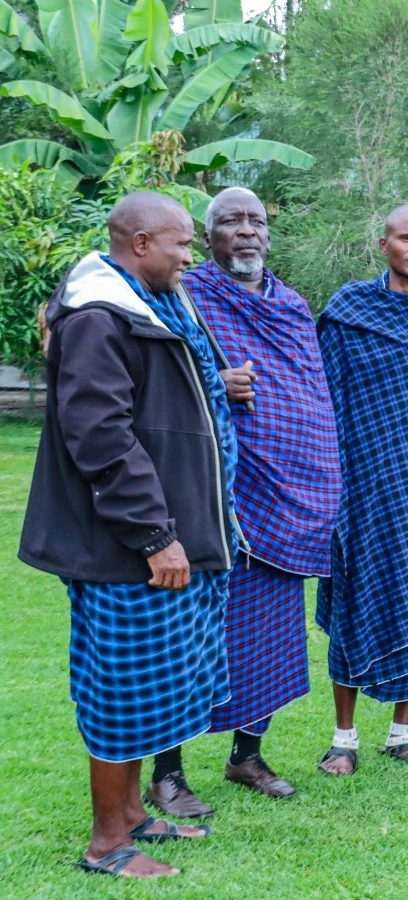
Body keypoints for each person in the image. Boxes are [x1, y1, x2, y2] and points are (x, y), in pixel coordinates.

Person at [20, 192, 236, 877]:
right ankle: (107, 843)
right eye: (180, 244)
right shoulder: (97, 316)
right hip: (125, 548)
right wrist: (153, 533)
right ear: (140, 243)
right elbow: (100, 435)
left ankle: (137, 814)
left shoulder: (157, 301)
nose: (189, 255)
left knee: (152, 683)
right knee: (120, 686)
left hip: (172, 535)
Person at [140, 188, 340, 814]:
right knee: (194, 633)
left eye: (256, 221)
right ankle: (167, 773)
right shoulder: (185, 296)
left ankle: (246, 756)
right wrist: (211, 381)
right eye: (231, 221)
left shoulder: (290, 304)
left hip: (289, 497)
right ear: (209, 235)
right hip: (213, 499)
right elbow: (148, 376)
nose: (246, 231)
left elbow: (310, 393)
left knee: (273, 636)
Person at [314, 203, 408, 775]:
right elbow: (321, 398)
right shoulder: (350, 312)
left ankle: (403, 735)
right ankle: (344, 739)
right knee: (358, 599)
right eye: (407, 238)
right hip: (361, 485)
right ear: (383, 244)